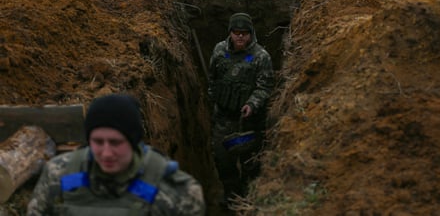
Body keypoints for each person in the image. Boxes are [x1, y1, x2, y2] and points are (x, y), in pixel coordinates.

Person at [27, 93, 206, 216]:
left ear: (134, 141)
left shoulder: (178, 191)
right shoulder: (58, 175)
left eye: (115, 143)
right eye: (97, 142)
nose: (106, 153)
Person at [208, 12, 274, 207]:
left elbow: (265, 87)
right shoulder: (219, 50)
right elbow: (213, 77)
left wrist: (252, 104)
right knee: (223, 160)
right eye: (236, 32)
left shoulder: (261, 57)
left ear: (251, 33)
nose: (240, 37)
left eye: (244, 33)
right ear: (230, 33)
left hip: (248, 122)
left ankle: (247, 198)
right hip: (223, 119)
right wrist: (213, 98)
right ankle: (231, 194)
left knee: (250, 163)